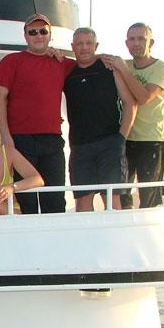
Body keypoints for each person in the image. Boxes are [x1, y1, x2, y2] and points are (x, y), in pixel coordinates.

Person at [0, 13, 76, 214]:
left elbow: (88, 61)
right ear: (25, 35)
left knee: (55, 200)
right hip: (21, 140)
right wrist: (5, 136)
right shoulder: (11, 61)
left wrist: (112, 61)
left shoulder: (62, 63)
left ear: (50, 35)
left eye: (43, 31)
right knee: (26, 201)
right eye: (33, 32)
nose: (38, 35)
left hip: (52, 140)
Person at [64, 28, 136, 212]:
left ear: (95, 46)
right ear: (72, 46)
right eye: (79, 43)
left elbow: (130, 103)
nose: (84, 48)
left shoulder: (110, 69)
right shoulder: (68, 74)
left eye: (89, 43)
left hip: (110, 143)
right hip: (80, 147)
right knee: (82, 203)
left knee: (112, 200)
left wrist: (121, 137)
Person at [102, 23, 164, 208]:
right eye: (132, 39)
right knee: (122, 194)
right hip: (125, 138)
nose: (136, 43)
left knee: (148, 196)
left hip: (151, 139)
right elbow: (91, 55)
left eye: (141, 38)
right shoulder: (123, 63)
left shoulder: (161, 68)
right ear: (126, 43)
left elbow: (144, 97)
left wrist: (123, 69)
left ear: (151, 42)